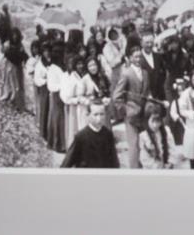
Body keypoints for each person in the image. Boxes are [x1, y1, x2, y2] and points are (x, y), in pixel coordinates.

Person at [112, 40, 152, 169]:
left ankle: (144, 166)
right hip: (131, 115)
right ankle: (134, 171)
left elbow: (146, 92)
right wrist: (126, 110)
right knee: (134, 145)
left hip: (144, 114)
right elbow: (116, 96)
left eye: (140, 56)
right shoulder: (126, 73)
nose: (138, 59)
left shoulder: (145, 73)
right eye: (135, 56)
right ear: (130, 58)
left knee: (146, 142)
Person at [61, 102, 119, 169]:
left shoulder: (108, 134)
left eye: (102, 114)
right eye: (95, 114)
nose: (99, 118)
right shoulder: (81, 137)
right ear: (88, 115)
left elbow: (114, 161)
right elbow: (67, 163)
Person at [45, 49, 67, 152]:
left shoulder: (56, 68)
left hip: (58, 94)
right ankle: (58, 144)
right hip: (56, 95)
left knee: (57, 117)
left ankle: (58, 143)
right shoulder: (54, 69)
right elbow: (51, 86)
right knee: (58, 118)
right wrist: (62, 86)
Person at [61, 57, 87, 141]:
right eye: (78, 64)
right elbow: (67, 98)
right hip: (75, 109)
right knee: (76, 130)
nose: (81, 66)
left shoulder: (85, 75)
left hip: (85, 107)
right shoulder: (72, 78)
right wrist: (77, 100)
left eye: (82, 64)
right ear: (75, 66)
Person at [2, 32, 29, 112]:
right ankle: (13, 103)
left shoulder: (20, 45)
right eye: (13, 35)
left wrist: (24, 59)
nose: (15, 37)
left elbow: (25, 56)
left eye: (16, 35)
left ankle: (20, 105)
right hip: (11, 66)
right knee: (13, 85)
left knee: (20, 86)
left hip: (18, 67)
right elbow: (6, 54)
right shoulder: (8, 44)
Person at [31, 48, 50, 139]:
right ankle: (43, 133)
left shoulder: (52, 61)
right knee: (44, 108)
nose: (47, 53)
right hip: (44, 88)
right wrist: (45, 80)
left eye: (48, 51)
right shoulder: (40, 64)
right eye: (45, 51)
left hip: (52, 88)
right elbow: (37, 79)